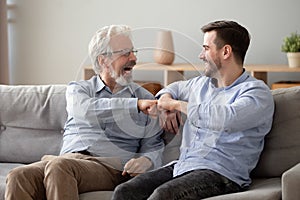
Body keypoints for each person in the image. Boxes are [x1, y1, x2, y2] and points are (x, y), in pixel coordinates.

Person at [112, 20, 275, 200]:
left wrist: (176, 105)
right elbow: (170, 89)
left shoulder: (256, 92)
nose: (201, 55)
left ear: (226, 51)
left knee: (162, 195)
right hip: (184, 166)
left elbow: (227, 119)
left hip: (222, 174)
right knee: (124, 191)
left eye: (206, 48)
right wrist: (166, 102)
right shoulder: (201, 84)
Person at [5, 25, 164, 200]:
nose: (133, 58)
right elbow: (86, 111)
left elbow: (154, 144)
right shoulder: (79, 89)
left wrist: (146, 160)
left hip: (109, 166)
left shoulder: (144, 98)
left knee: (60, 166)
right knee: (18, 176)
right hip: (68, 159)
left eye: (133, 52)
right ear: (103, 60)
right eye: (125, 53)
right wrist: (134, 105)